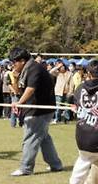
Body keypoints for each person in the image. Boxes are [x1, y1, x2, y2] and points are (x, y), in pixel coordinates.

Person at [9, 47, 63, 176]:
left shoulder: (34, 68)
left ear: (22, 60)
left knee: (31, 136)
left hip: (40, 109)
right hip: (33, 108)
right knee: (44, 138)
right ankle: (56, 164)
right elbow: (18, 91)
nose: (13, 65)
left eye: (14, 62)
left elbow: (30, 89)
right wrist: (15, 78)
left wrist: (19, 103)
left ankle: (26, 168)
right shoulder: (24, 70)